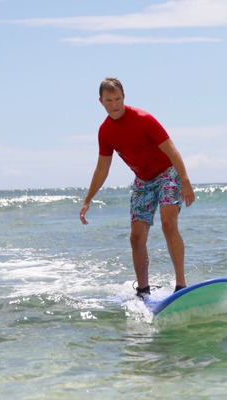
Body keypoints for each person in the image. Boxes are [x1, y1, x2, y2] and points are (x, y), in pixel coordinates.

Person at [79, 77, 195, 298]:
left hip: (167, 173)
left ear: (124, 97)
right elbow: (102, 168)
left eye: (118, 99)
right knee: (136, 237)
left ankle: (181, 285)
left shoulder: (143, 119)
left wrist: (186, 181)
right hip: (143, 181)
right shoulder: (105, 131)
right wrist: (87, 200)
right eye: (109, 100)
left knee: (168, 223)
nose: (114, 105)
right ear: (100, 101)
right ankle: (143, 289)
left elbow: (172, 151)